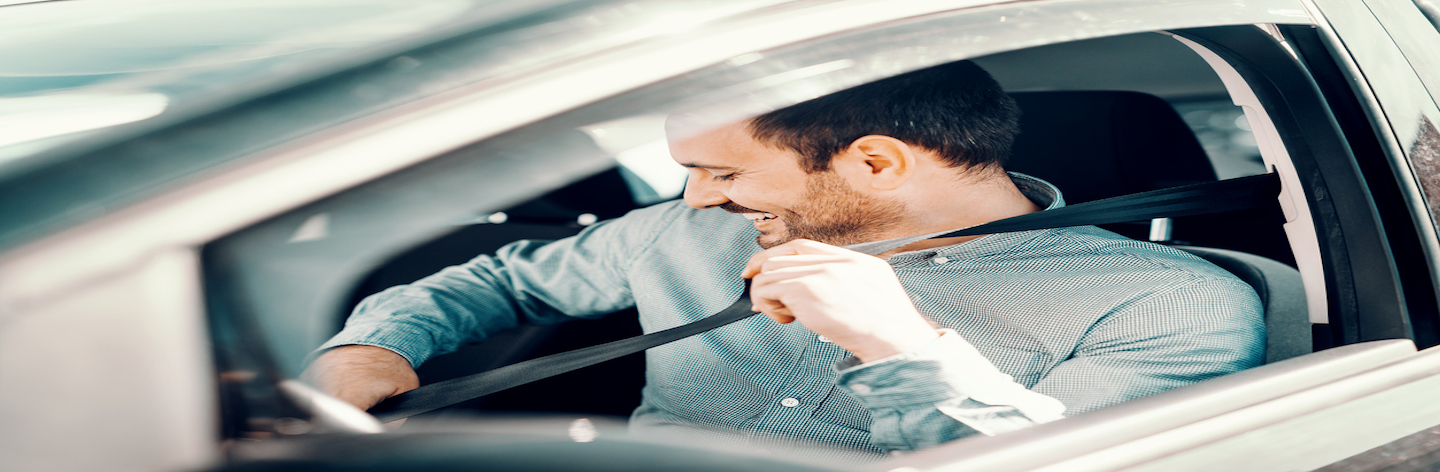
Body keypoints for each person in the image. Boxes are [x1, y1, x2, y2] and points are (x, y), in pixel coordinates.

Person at [303, 60, 1265, 456]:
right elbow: (500, 278)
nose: (694, 198)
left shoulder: (1172, 306)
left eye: (720, 171)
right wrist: (375, 348)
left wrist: (897, 343)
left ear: (876, 163)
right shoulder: (692, 232)